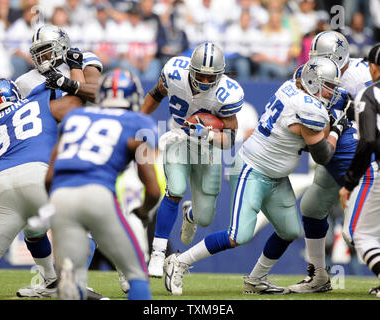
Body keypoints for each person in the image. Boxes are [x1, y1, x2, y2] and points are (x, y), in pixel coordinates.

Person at [163, 57, 345, 296]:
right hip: (252, 169)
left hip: (276, 176)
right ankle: (179, 262)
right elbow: (323, 155)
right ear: (312, 82)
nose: (331, 92)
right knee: (238, 235)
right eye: (328, 86)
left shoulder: (293, 86)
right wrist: (337, 127)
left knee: (290, 231)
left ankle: (256, 279)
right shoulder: (308, 108)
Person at [46, 68, 160, 300]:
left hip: (61, 194)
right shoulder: (138, 123)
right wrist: (143, 211)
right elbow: (154, 189)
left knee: (75, 277)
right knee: (136, 273)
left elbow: (49, 177)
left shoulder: (76, 117)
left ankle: (73, 286)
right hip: (97, 193)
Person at [13, 24, 103, 299]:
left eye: (46, 51)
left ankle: (82, 281)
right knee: (34, 226)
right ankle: (52, 281)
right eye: (37, 53)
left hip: (83, 147)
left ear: (62, 47)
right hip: (48, 152)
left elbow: (97, 93)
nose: (41, 58)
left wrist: (66, 81)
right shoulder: (26, 81)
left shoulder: (84, 59)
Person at [141, 41, 243, 278]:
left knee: (205, 217)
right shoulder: (174, 73)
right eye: (201, 75)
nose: (205, 81)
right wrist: (137, 119)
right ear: (190, 69)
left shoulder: (227, 94)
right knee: (175, 189)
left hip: (208, 147)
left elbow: (229, 139)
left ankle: (191, 215)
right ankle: (157, 254)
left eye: (211, 77)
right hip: (178, 139)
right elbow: (156, 93)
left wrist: (206, 133)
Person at [285, 31, 375, 294]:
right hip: (334, 154)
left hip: (358, 160)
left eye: (320, 59)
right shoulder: (317, 74)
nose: (314, 65)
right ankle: (319, 277)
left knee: (355, 231)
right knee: (312, 208)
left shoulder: (361, 78)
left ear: (337, 57)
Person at [0, 78, 82, 294]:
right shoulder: (36, 100)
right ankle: (120, 276)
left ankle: (52, 281)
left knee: (34, 229)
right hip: (36, 173)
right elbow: (77, 105)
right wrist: (73, 80)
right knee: (85, 225)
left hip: (1, 184)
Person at [339, 43, 380, 298]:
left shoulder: (369, 94)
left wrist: (349, 181)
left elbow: (366, 142)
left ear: (373, 67)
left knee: (359, 234)